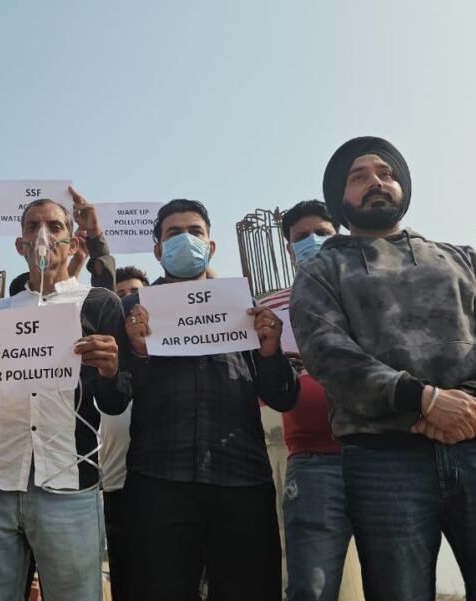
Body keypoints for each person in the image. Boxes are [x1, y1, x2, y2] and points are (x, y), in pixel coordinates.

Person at [289, 136, 476, 601]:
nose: (376, 182)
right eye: (359, 177)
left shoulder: (462, 259)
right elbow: (328, 353)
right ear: (341, 198)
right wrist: (423, 400)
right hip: (383, 459)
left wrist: (474, 399)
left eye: (385, 173)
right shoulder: (321, 272)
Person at [105, 199, 298, 600]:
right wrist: (137, 352)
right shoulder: (131, 310)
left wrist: (270, 353)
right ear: (157, 250)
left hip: (241, 478)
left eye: (195, 232)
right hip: (159, 481)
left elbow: (283, 397)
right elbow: (113, 397)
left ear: (210, 246)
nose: (185, 240)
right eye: (174, 233)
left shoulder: (245, 306)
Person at [0, 198, 126, 601]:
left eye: (54, 226)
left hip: (68, 483)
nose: (43, 235)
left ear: (74, 242)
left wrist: (111, 371)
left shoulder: (99, 303)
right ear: (19, 244)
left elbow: (116, 401)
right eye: (32, 226)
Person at [260, 199, 352, 601]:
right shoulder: (268, 310)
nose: (313, 241)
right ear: (288, 248)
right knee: (311, 585)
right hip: (310, 458)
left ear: (339, 236)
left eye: (323, 233)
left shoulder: (370, 292)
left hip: (382, 452)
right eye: (302, 237)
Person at [97, 265, 147, 601]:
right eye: (121, 295)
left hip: (159, 484)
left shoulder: (164, 357)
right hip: (115, 488)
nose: (129, 301)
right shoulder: (104, 360)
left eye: (136, 293)